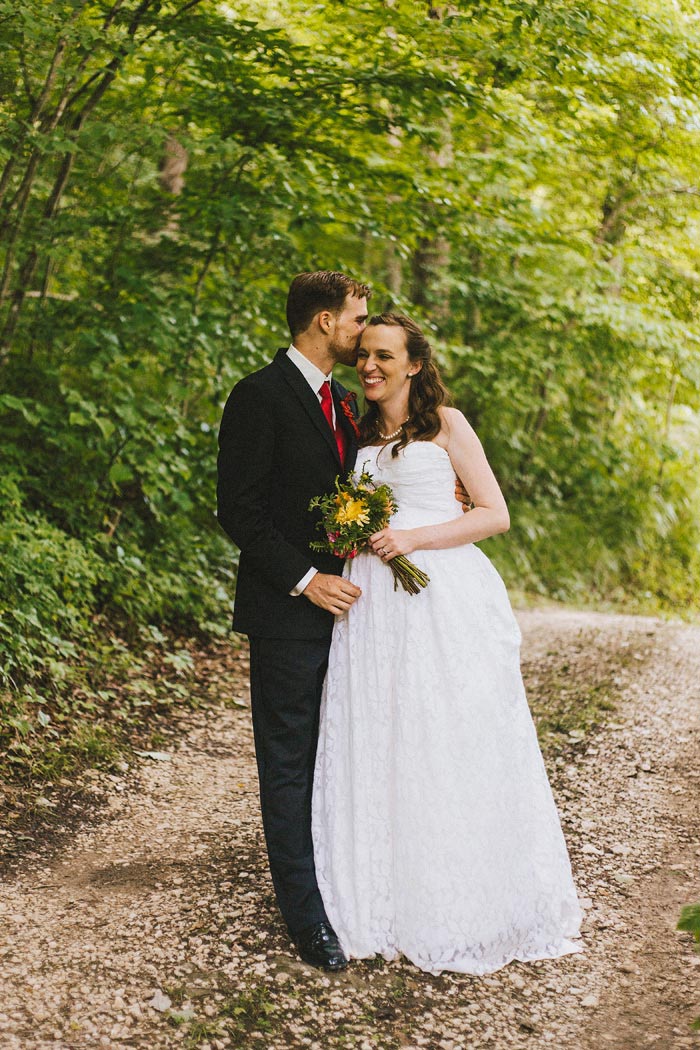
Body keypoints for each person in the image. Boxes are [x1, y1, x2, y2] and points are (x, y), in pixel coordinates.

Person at [312, 313, 583, 975]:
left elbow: (494, 512)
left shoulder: (447, 424)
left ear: (412, 364)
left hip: (437, 594)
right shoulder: (358, 430)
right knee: (376, 734)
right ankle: (375, 899)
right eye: (363, 357)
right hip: (371, 601)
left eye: (384, 357)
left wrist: (411, 538)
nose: (369, 367)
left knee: (441, 732)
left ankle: (458, 901)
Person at [216, 270, 370, 971]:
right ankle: (307, 919)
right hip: (287, 612)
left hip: (354, 616)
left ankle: (342, 882)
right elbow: (238, 511)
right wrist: (307, 582)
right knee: (288, 762)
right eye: (355, 320)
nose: (362, 333)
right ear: (321, 323)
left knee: (337, 752)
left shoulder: (342, 403)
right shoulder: (257, 397)